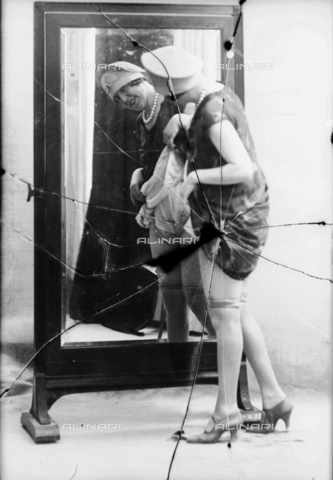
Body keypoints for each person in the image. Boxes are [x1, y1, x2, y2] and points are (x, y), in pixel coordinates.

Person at [141, 46, 293, 442]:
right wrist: (180, 123)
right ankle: (275, 399)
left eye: (163, 92)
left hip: (232, 223)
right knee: (236, 311)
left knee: (224, 315)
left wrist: (193, 180)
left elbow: (242, 167)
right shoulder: (211, 99)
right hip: (229, 216)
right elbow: (197, 136)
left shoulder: (211, 113)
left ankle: (226, 414)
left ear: (174, 90)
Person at [101, 61, 216, 342]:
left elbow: (211, 136)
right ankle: (176, 359)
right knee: (170, 290)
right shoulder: (141, 121)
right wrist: (135, 176)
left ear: (139, 80)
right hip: (159, 209)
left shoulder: (177, 102)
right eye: (117, 99)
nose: (124, 101)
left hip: (190, 207)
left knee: (194, 290)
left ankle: (235, 353)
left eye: (125, 91)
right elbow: (152, 161)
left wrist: (182, 120)